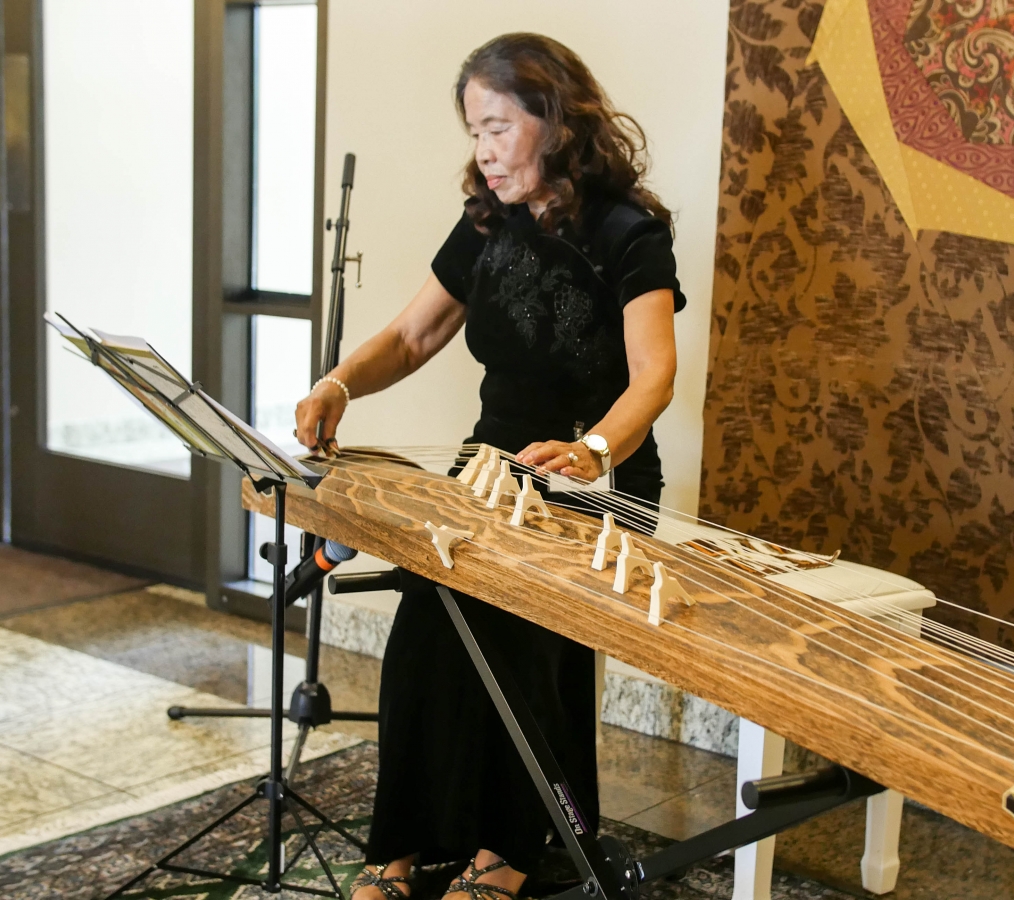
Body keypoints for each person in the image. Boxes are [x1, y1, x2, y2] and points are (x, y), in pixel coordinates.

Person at [293, 33, 685, 900]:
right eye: (474, 131)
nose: (483, 151)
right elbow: (411, 336)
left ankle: (509, 848)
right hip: (492, 467)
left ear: (553, 120)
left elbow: (654, 376)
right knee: (426, 634)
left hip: (596, 471)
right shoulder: (487, 222)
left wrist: (588, 451)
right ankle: (400, 844)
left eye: (498, 127)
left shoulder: (629, 231)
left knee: (511, 637)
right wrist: (338, 383)